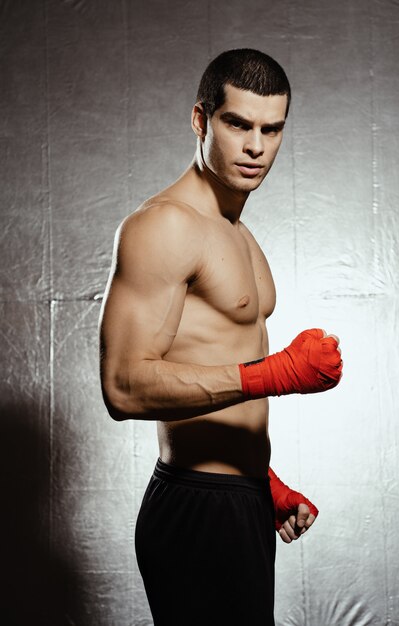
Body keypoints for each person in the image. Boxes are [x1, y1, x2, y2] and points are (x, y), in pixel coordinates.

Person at [99, 49, 343, 626]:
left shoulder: (238, 233)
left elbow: (212, 356)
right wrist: (276, 374)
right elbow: (124, 386)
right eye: (238, 124)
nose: (256, 146)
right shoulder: (164, 225)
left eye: (272, 129)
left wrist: (264, 480)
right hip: (195, 507)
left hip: (240, 502)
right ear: (200, 120)